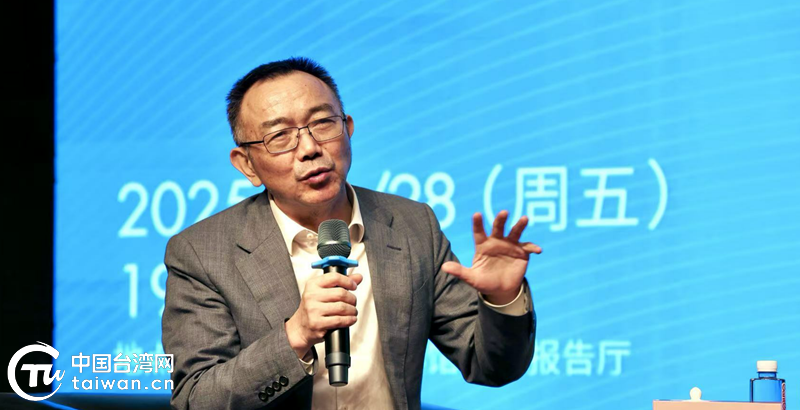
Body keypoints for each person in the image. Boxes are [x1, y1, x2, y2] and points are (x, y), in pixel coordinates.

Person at [161, 57, 540, 410]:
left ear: (348, 127)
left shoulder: (412, 225)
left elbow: (493, 367)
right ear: (246, 164)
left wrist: (501, 299)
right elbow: (196, 398)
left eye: (323, 123)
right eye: (280, 136)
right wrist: (295, 336)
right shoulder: (202, 253)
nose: (309, 148)